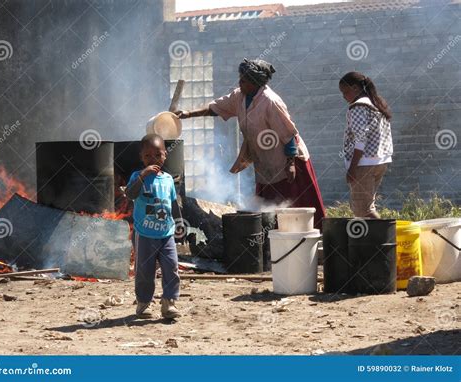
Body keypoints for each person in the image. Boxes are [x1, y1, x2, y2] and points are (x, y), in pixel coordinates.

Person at [175, 58, 325, 229]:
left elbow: (288, 133)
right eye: (240, 78)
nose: (240, 82)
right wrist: (188, 114)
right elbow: (216, 108)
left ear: (255, 82)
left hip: (287, 159)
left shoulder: (270, 101)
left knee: (294, 204)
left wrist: (291, 164)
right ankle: (271, 240)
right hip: (265, 161)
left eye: (244, 80)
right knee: (269, 206)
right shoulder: (239, 96)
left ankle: (309, 238)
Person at [126, 134, 181, 319]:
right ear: (142, 157)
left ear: (165, 155)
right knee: (144, 271)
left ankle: (169, 304)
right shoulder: (137, 177)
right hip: (145, 234)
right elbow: (130, 194)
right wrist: (142, 176)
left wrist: (179, 224)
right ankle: (143, 304)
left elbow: (173, 204)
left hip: (166, 234)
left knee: (171, 267)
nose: (153, 159)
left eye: (157, 155)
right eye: (148, 156)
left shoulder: (167, 180)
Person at [339, 71, 393, 218]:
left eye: (345, 91)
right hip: (379, 161)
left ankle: (387, 239)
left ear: (356, 88)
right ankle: (373, 240)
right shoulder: (376, 104)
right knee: (365, 207)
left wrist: (352, 168)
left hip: (364, 163)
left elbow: (361, 139)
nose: (344, 96)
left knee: (364, 210)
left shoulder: (358, 107)